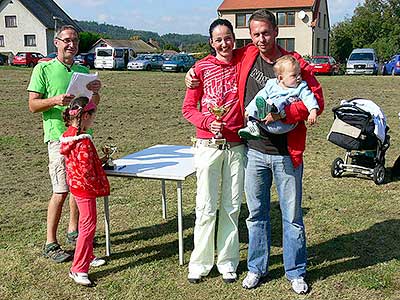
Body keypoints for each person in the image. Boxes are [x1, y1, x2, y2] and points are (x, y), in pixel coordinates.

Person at [185, 9, 324, 294]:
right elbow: (216, 58)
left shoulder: (294, 63)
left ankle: (295, 271)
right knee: (256, 215)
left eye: (266, 33)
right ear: (250, 36)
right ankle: (256, 268)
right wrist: (192, 72)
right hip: (252, 151)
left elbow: (316, 100)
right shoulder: (245, 55)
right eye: (256, 34)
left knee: (292, 217)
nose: (261, 39)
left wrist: (284, 114)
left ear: (276, 31)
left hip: (287, 154)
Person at [27, 25, 102, 262]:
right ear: (57, 42)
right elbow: (32, 105)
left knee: (77, 188)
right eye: (67, 40)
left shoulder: (81, 70)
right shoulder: (44, 69)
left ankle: (74, 231)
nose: (72, 45)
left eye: (76, 41)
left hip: (79, 137)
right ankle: (50, 243)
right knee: (60, 190)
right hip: (58, 139)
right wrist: (55, 100)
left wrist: (96, 92)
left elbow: (93, 104)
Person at [182, 18, 245, 284]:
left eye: (228, 37)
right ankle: (200, 263)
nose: (224, 43)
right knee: (206, 207)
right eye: (218, 39)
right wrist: (208, 122)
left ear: (234, 38)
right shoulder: (200, 68)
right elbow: (189, 109)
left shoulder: (244, 61)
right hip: (208, 145)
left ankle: (228, 261)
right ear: (211, 42)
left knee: (231, 207)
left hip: (236, 145)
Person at [60, 96, 110, 286]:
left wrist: (100, 162)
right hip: (85, 189)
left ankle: (88, 256)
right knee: (88, 227)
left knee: (86, 224)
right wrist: (100, 170)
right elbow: (87, 169)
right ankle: (78, 268)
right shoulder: (83, 141)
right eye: (93, 115)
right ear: (86, 116)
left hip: (76, 186)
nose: (94, 119)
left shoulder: (68, 137)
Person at [239, 54, 319, 139]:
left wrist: (313, 111)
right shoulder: (272, 84)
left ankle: (271, 107)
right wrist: (249, 109)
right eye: (294, 75)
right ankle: (253, 126)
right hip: (265, 123)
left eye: (299, 74)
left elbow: (309, 98)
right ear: (281, 78)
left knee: (281, 99)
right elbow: (260, 95)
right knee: (260, 99)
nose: (298, 78)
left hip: (283, 125)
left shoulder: (300, 87)